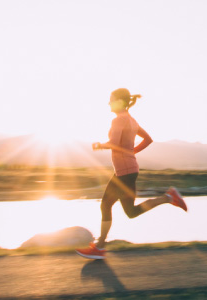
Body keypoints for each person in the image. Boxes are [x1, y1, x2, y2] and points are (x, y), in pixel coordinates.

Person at [76, 88, 188, 260]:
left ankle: (99, 247)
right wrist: (131, 152)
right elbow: (148, 139)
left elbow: (113, 143)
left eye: (111, 100)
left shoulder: (118, 120)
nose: (108, 103)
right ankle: (169, 197)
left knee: (107, 205)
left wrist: (99, 145)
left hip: (124, 173)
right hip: (128, 170)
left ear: (119, 102)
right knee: (129, 211)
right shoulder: (132, 120)